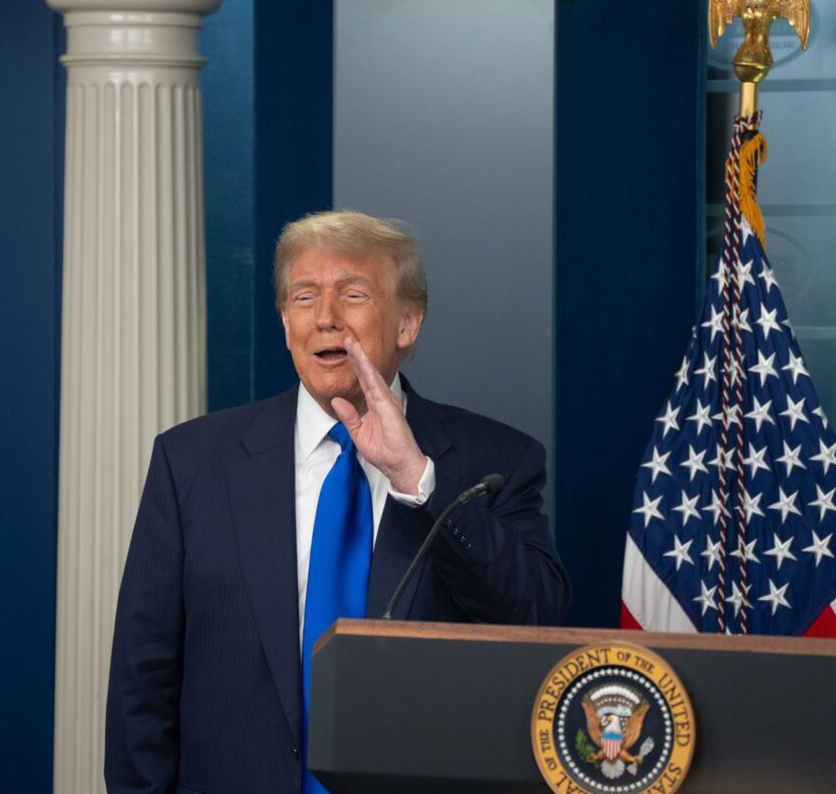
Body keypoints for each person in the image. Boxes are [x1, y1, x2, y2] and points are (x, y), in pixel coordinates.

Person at [105, 211, 570, 794]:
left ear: (407, 323)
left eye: (353, 295)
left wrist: (416, 476)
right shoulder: (192, 463)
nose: (325, 317)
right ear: (285, 322)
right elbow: (141, 679)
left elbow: (534, 620)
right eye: (304, 297)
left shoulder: (495, 460)